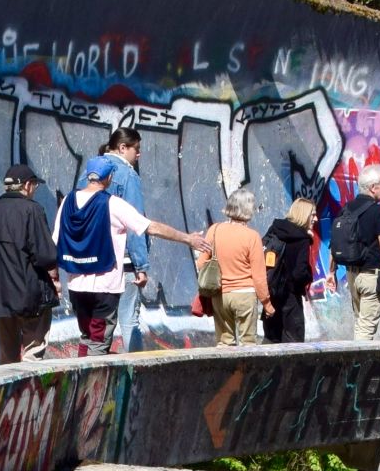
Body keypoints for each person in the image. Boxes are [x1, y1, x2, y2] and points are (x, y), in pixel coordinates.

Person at [56, 155, 200, 355]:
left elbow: (56, 240)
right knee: (98, 340)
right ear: (109, 177)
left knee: (86, 337)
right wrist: (187, 238)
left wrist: (55, 277)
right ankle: (93, 386)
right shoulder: (113, 204)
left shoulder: (67, 202)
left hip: (76, 284)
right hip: (105, 285)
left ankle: (78, 381)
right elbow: (151, 227)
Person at [0, 163, 58, 362]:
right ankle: (30, 391)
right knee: (33, 353)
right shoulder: (32, 210)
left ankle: (11, 393)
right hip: (30, 296)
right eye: (35, 186)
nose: (35, 190)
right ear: (27, 185)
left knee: (7, 356)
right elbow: (46, 255)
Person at [333, 164, 380, 341]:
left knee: (360, 323)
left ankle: (356, 364)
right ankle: (356, 367)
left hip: (352, 277)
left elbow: (335, 243)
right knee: (366, 330)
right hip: (371, 278)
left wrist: (330, 271)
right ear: (373, 187)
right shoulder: (378, 211)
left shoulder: (347, 209)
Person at [200, 187, 274, 346]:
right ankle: (246, 371)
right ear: (248, 209)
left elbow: (201, 264)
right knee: (248, 344)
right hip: (244, 295)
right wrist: (267, 304)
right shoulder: (252, 237)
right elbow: (259, 277)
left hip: (220, 295)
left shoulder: (214, 230)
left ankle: (229, 371)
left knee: (224, 344)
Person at [101, 126, 150, 351]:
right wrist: (141, 265)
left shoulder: (89, 173)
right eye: (136, 149)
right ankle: (137, 378)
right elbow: (135, 223)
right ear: (123, 148)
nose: (138, 155)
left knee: (100, 323)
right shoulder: (128, 174)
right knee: (129, 320)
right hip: (125, 259)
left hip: (95, 260)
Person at [262, 195, 320, 344]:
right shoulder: (302, 238)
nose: (316, 219)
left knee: (270, 340)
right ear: (303, 214)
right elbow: (299, 273)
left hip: (271, 293)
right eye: (313, 214)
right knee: (294, 344)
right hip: (290, 297)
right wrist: (308, 276)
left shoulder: (275, 229)